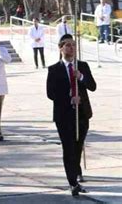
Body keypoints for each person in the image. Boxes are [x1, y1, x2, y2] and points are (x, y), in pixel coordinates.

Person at [47, 34, 96, 196]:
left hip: (82, 114)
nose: (71, 48)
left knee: (77, 146)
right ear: (61, 48)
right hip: (64, 115)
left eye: (73, 45)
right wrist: (69, 96)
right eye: (67, 45)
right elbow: (51, 93)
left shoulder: (82, 66)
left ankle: (75, 175)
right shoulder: (54, 69)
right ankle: (72, 182)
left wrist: (80, 77)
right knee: (68, 148)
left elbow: (92, 86)